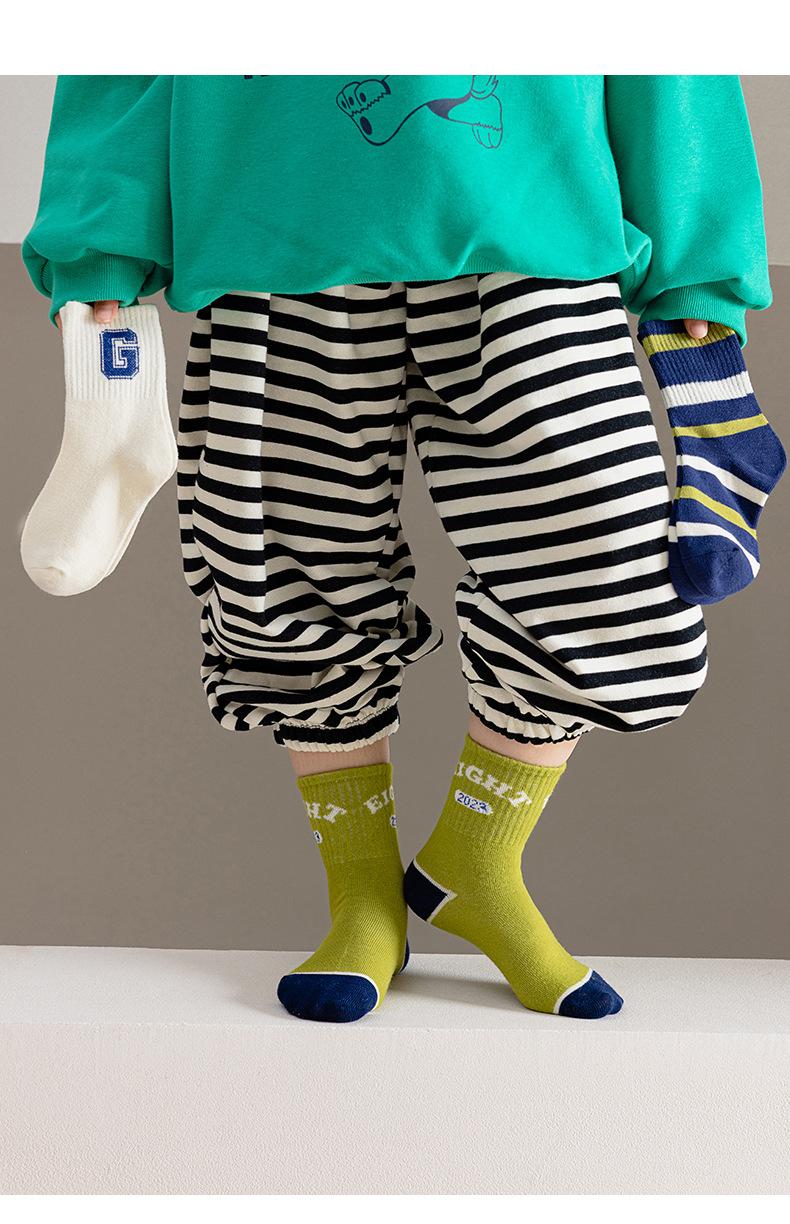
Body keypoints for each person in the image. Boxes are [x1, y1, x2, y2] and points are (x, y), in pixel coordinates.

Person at [23, 75, 782, 1023]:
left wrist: (698, 259)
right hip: (271, 213)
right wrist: (99, 239)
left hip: (531, 213)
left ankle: (478, 855)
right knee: (278, 567)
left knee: (607, 570)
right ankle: (361, 897)